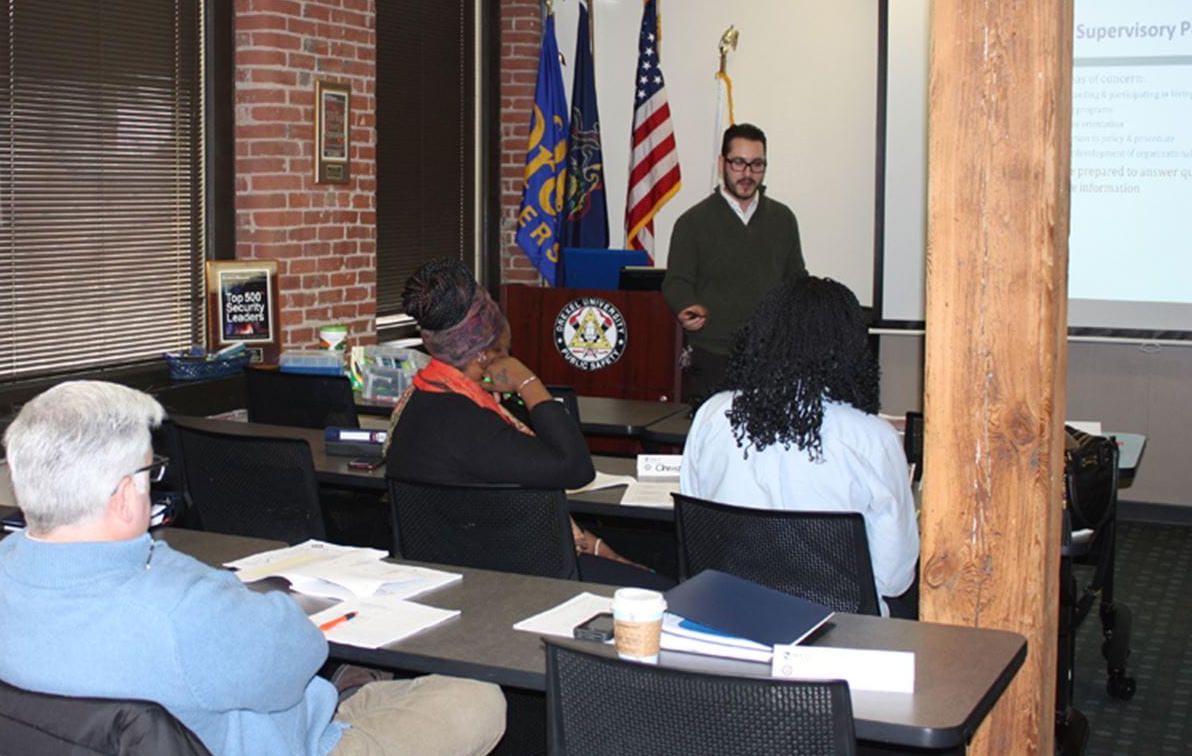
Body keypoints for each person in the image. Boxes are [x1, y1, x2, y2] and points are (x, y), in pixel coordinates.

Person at [0, 380, 505, 756]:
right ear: (125, 495)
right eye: (149, 473)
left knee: (359, 692)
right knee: (478, 700)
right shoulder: (177, 612)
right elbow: (300, 653)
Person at [385, 257, 672, 590]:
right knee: (666, 589)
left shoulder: (417, 402)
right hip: (521, 584)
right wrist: (527, 382)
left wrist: (592, 544)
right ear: (483, 354)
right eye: (503, 347)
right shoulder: (476, 427)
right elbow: (576, 468)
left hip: (450, 575)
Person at [679, 276, 920, 616]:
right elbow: (893, 579)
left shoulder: (713, 414)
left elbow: (697, 529)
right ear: (850, 346)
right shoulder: (872, 437)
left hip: (729, 614)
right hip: (836, 629)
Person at [662, 122, 806, 406]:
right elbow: (677, 282)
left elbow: (796, 279)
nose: (748, 174)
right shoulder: (693, 222)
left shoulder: (783, 219)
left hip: (770, 357)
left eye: (757, 165)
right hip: (712, 355)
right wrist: (686, 306)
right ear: (722, 164)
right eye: (739, 163)